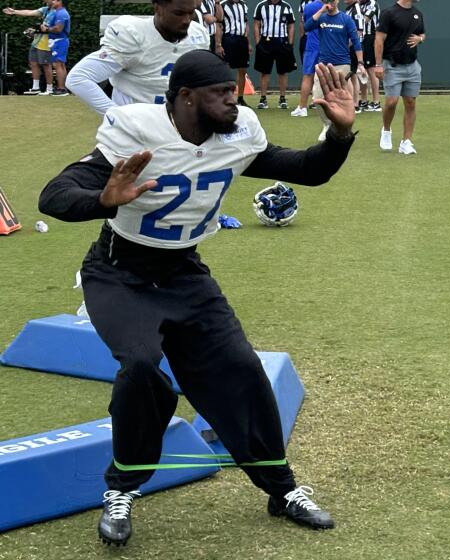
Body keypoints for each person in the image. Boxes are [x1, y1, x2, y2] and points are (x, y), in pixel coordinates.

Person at [39, 51, 357, 545]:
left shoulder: (236, 133)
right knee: (142, 367)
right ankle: (122, 488)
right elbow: (54, 195)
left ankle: (281, 488)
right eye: (220, 93)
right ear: (185, 97)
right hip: (119, 271)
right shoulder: (136, 130)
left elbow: (308, 170)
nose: (235, 99)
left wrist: (337, 134)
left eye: (234, 90)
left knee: (241, 370)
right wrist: (102, 200)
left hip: (185, 272)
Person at [66, 0, 209, 114]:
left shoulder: (198, 35)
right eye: (179, 13)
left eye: (191, 13)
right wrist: (116, 115)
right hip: (133, 134)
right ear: (158, 8)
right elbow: (78, 78)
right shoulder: (134, 34)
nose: (186, 20)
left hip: (173, 131)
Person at [304, 0, 365, 141]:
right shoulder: (322, 18)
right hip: (323, 64)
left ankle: (343, 129)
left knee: (342, 99)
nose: (330, 3)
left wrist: (360, 63)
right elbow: (307, 27)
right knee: (317, 97)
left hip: (342, 64)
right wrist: (321, 11)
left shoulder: (346, 19)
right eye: (327, 0)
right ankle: (327, 125)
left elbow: (356, 41)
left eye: (332, 0)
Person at [374, 0, 425, 155]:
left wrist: (420, 39)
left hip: (412, 66)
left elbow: (422, 33)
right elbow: (379, 40)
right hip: (392, 66)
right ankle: (386, 131)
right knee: (391, 102)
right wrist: (378, 64)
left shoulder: (418, 14)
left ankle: (406, 142)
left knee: (410, 103)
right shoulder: (388, 13)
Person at [3, 0, 55, 95]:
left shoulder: (57, 12)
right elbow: (29, 12)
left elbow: (54, 29)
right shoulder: (45, 10)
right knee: (33, 63)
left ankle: (49, 89)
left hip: (46, 43)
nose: (45, 1)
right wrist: (14, 11)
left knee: (46, 65)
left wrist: (37, 30)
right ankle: (36, 88)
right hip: (36, 42)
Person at [253, 0, 297, 110]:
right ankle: (263, 99)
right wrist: (258, 42)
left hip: (282, 41)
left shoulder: (287, 6)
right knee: (265, 71)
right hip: (265, 41)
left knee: (282, 71)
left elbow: (291, 25)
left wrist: (290, 43)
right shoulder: (261, 5)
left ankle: (282, 98)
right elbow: (256, 25)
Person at [216, 0, 251, 106]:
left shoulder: (243, 5)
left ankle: (240, 98)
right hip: (229, 38)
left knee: (243, 69)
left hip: (241, 39)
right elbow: (218, 25)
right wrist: (219, 44)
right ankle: (225, 97)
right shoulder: (223, 4)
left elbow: (246, 24)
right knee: (227, 68)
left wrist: (248, 42)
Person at [291, 0, 322, 117]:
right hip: (326, 44)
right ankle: (330, 106)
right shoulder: (329, 6)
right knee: (328, 76)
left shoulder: (309, 6)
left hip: (312, 44)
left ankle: (302, 107)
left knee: (307, 76)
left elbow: (304, 24)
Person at [41, 0, 70, 96]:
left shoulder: (61, 13)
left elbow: (58, 28)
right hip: (57, 41)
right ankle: (61, 88)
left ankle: (62, 89)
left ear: (60, 1)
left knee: (58, 64)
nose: (51, 2)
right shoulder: (58, 12)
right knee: (59, 64)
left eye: (53, 0)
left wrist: (47, 29)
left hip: (59, 41)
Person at [358, 0, 381, 111]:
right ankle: (364, 100)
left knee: (371, 69)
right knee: (361, 70)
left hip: (370, 38)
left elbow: (364, 21)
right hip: (361, 39)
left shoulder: (372, 4)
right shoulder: (359, 5)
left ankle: (376, 102)